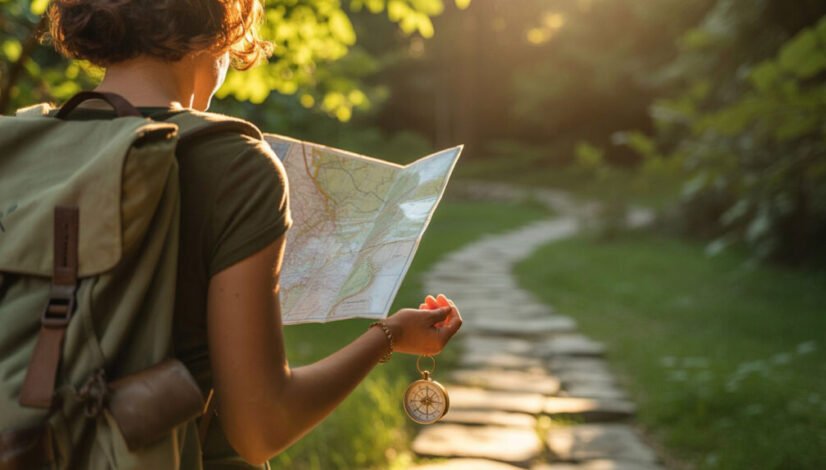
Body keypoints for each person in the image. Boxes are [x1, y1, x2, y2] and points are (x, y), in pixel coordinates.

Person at [44, 0, 463, 467]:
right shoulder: (231, 163)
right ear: (220, 26)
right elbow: (262, 428)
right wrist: (388, 335)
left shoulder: (27, 146)